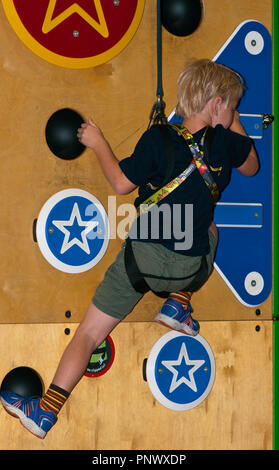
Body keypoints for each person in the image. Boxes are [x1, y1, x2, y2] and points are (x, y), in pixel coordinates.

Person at [0, 59, 258, 439]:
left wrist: (98, 142)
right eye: (231, 105)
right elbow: (251, 166)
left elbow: (121, 183)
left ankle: (47, 410)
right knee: (208, 226)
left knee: (88, 335)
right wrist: (230, 120)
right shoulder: (226, 146)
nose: (234, 113)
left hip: (143, 259)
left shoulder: (159, 137)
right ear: (217, 103)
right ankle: (178, 301)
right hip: (190, 266)